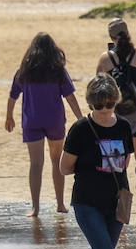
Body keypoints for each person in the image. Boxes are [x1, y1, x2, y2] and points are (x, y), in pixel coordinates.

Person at [60, 73, 135, 249]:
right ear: (91, 104)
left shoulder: (124, 126)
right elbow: (64, 168)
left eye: (109, 105)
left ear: (115, 101)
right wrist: (91, 164)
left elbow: (128, 164)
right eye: (98, 105)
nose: (104, 110)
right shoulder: (80, 129)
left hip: (115, 203)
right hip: (86, 202)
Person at [5, 33, 83, 217]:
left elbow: (12, 96)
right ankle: (60, 204)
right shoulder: (58, 71)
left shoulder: (23, 71)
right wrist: (80, 118)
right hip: (54, 120)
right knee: (57, 161)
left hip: (32, 121)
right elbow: (70, 97)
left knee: (36, 164)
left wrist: (9, 117)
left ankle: (36, 208)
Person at [96, 18, 136, 211]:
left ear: (110, 37)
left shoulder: (105, 59)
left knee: (118, 164)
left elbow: (99, 89)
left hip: (117, 117)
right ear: (128, 33)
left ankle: (119, 203)